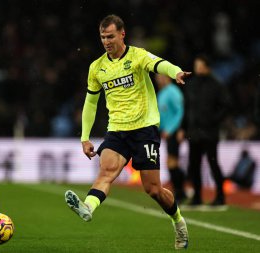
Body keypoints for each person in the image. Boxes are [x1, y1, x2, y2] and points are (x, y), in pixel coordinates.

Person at [64, 14, 191, 249]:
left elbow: (159, 64)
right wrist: (84, 137)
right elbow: (91, 104)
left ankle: (178, 221)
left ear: (122, 34)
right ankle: (88, 208)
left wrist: (176, 72)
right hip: (117, 130)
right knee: (107, 171)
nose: (106, 41)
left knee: (153, 190)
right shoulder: (97, 67)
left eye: (110, 36)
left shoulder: (137, 56)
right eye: (102, 37)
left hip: (144, 129)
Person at [184, 55, 227, 208]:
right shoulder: (191, 84)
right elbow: (188, 108)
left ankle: (220, 197)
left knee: (213, 163)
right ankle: (197, 197)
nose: (197, 68)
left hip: (210, 132)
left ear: (207, 67)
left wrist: (212, 121)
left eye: (200, 65)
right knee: (194, 165)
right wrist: (185, 128)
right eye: (196, 65)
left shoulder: (216, 85)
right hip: (194, 132)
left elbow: (224, 106)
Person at [155, 74, 187, 203]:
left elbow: (180, 112)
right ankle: (179, 190)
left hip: (173, 131)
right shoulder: (162, 92)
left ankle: (180, 191)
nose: (158, 79)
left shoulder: (173, 92)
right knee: (171, 162)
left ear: (167, 77)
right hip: (166, 132)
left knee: (172, 162)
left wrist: (173, 128)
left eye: (160, 77)